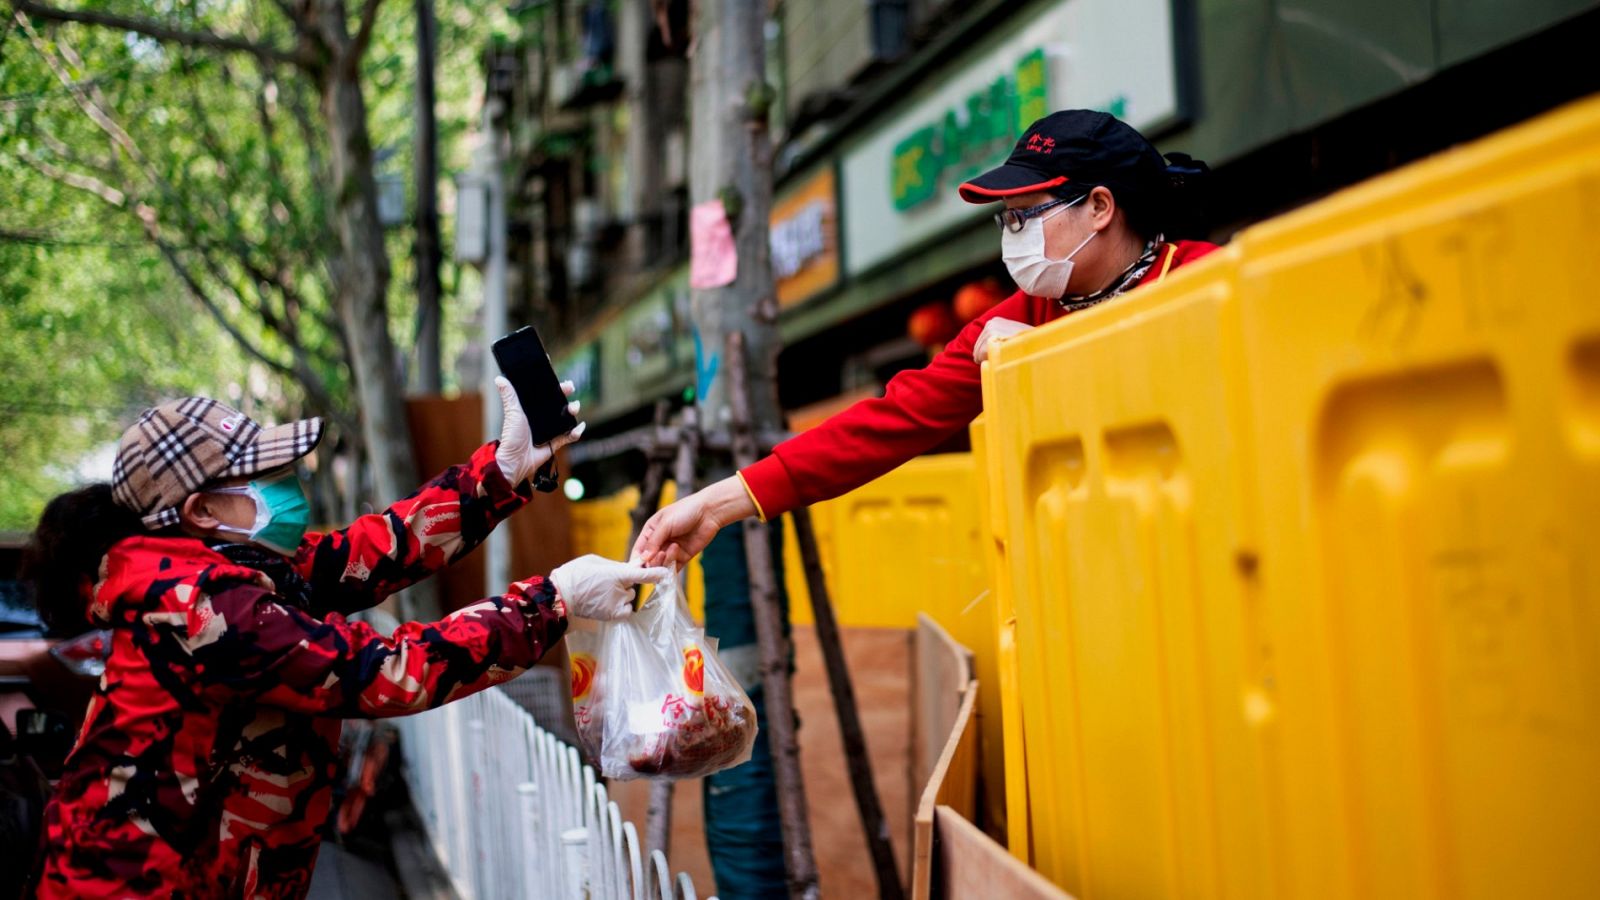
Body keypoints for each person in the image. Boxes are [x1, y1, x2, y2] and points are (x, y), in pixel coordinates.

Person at [23, 379, 668, 898]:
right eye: (265, 474)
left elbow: (364, 554)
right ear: (203, 512)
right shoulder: (198, 606)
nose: (289, 484)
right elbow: (380, 672)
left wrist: (496, 475)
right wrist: (551, 604)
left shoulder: (228, 568)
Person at [634, 110, 1221, 566]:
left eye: (1025, 214)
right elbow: (890, 422)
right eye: (1004, 219)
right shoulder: (1027, 311)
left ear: (1099, 207)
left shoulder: (1207, 279)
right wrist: (716, 504)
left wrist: (1045, 361)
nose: (1010, 234)